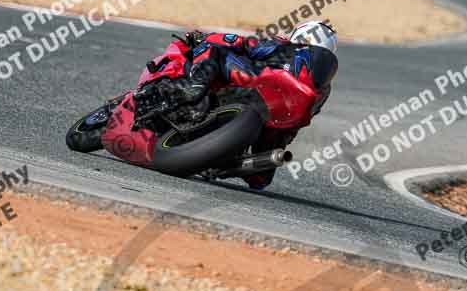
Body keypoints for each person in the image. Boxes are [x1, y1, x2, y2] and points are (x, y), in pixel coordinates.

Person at [135, 21, 338, 189]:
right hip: (276, 122)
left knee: (215, 50)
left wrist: (204, 37)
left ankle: (194, 87)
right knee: (260, 179)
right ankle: (224, 165)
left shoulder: (282, 46)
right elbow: (303, 119)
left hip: (250, 84)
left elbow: (237, 42)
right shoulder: (324, 89)